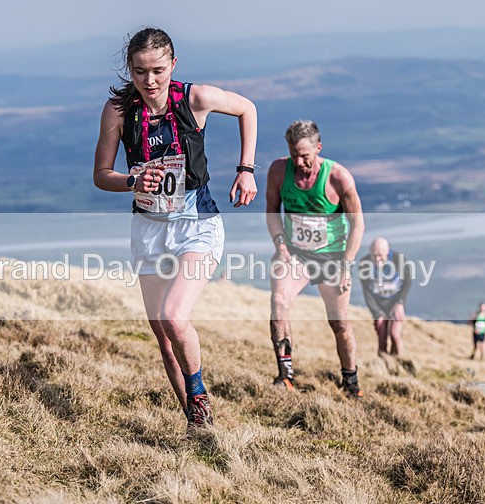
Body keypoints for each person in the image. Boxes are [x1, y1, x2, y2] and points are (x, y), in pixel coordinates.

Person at [93, 28, 258, 431]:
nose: (149, 81)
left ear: (174, 65)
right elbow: (101, 175)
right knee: (163, 339)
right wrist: (132, 181)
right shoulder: (117, 110)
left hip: (197, 224)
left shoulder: (195, 98)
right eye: (139, 72)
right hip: (148, 228)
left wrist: (246, 170)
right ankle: (198, 426)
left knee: (174, 317)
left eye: (158, 71)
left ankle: (198, 394)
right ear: (129, 70)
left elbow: (247, 108)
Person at [266, 120, 366, 397]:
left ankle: (351, 382)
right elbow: (272, 212)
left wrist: (346, 265)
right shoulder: (277, 170)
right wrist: (280, 244)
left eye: (305, 155)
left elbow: (358, 225)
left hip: (332, 257)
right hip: (295, 255)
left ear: (318, 148)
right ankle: (285, 376)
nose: (299, 162)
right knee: (278, 303)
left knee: (339, 323)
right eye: (293, 154)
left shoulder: (338, 177)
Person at [358, 237, 412, 358]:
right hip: (378, 306)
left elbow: (407, 282)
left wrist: (400, 303)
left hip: (395, 303)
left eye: (380, 255)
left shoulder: (399, 260)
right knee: (382, 340)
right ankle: (383, 366)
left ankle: (397, 362)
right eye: (373, 255)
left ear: (387, 251)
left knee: (394, 335)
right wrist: (377, 313)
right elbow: (367, 292)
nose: (377, 259)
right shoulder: (364, 264)